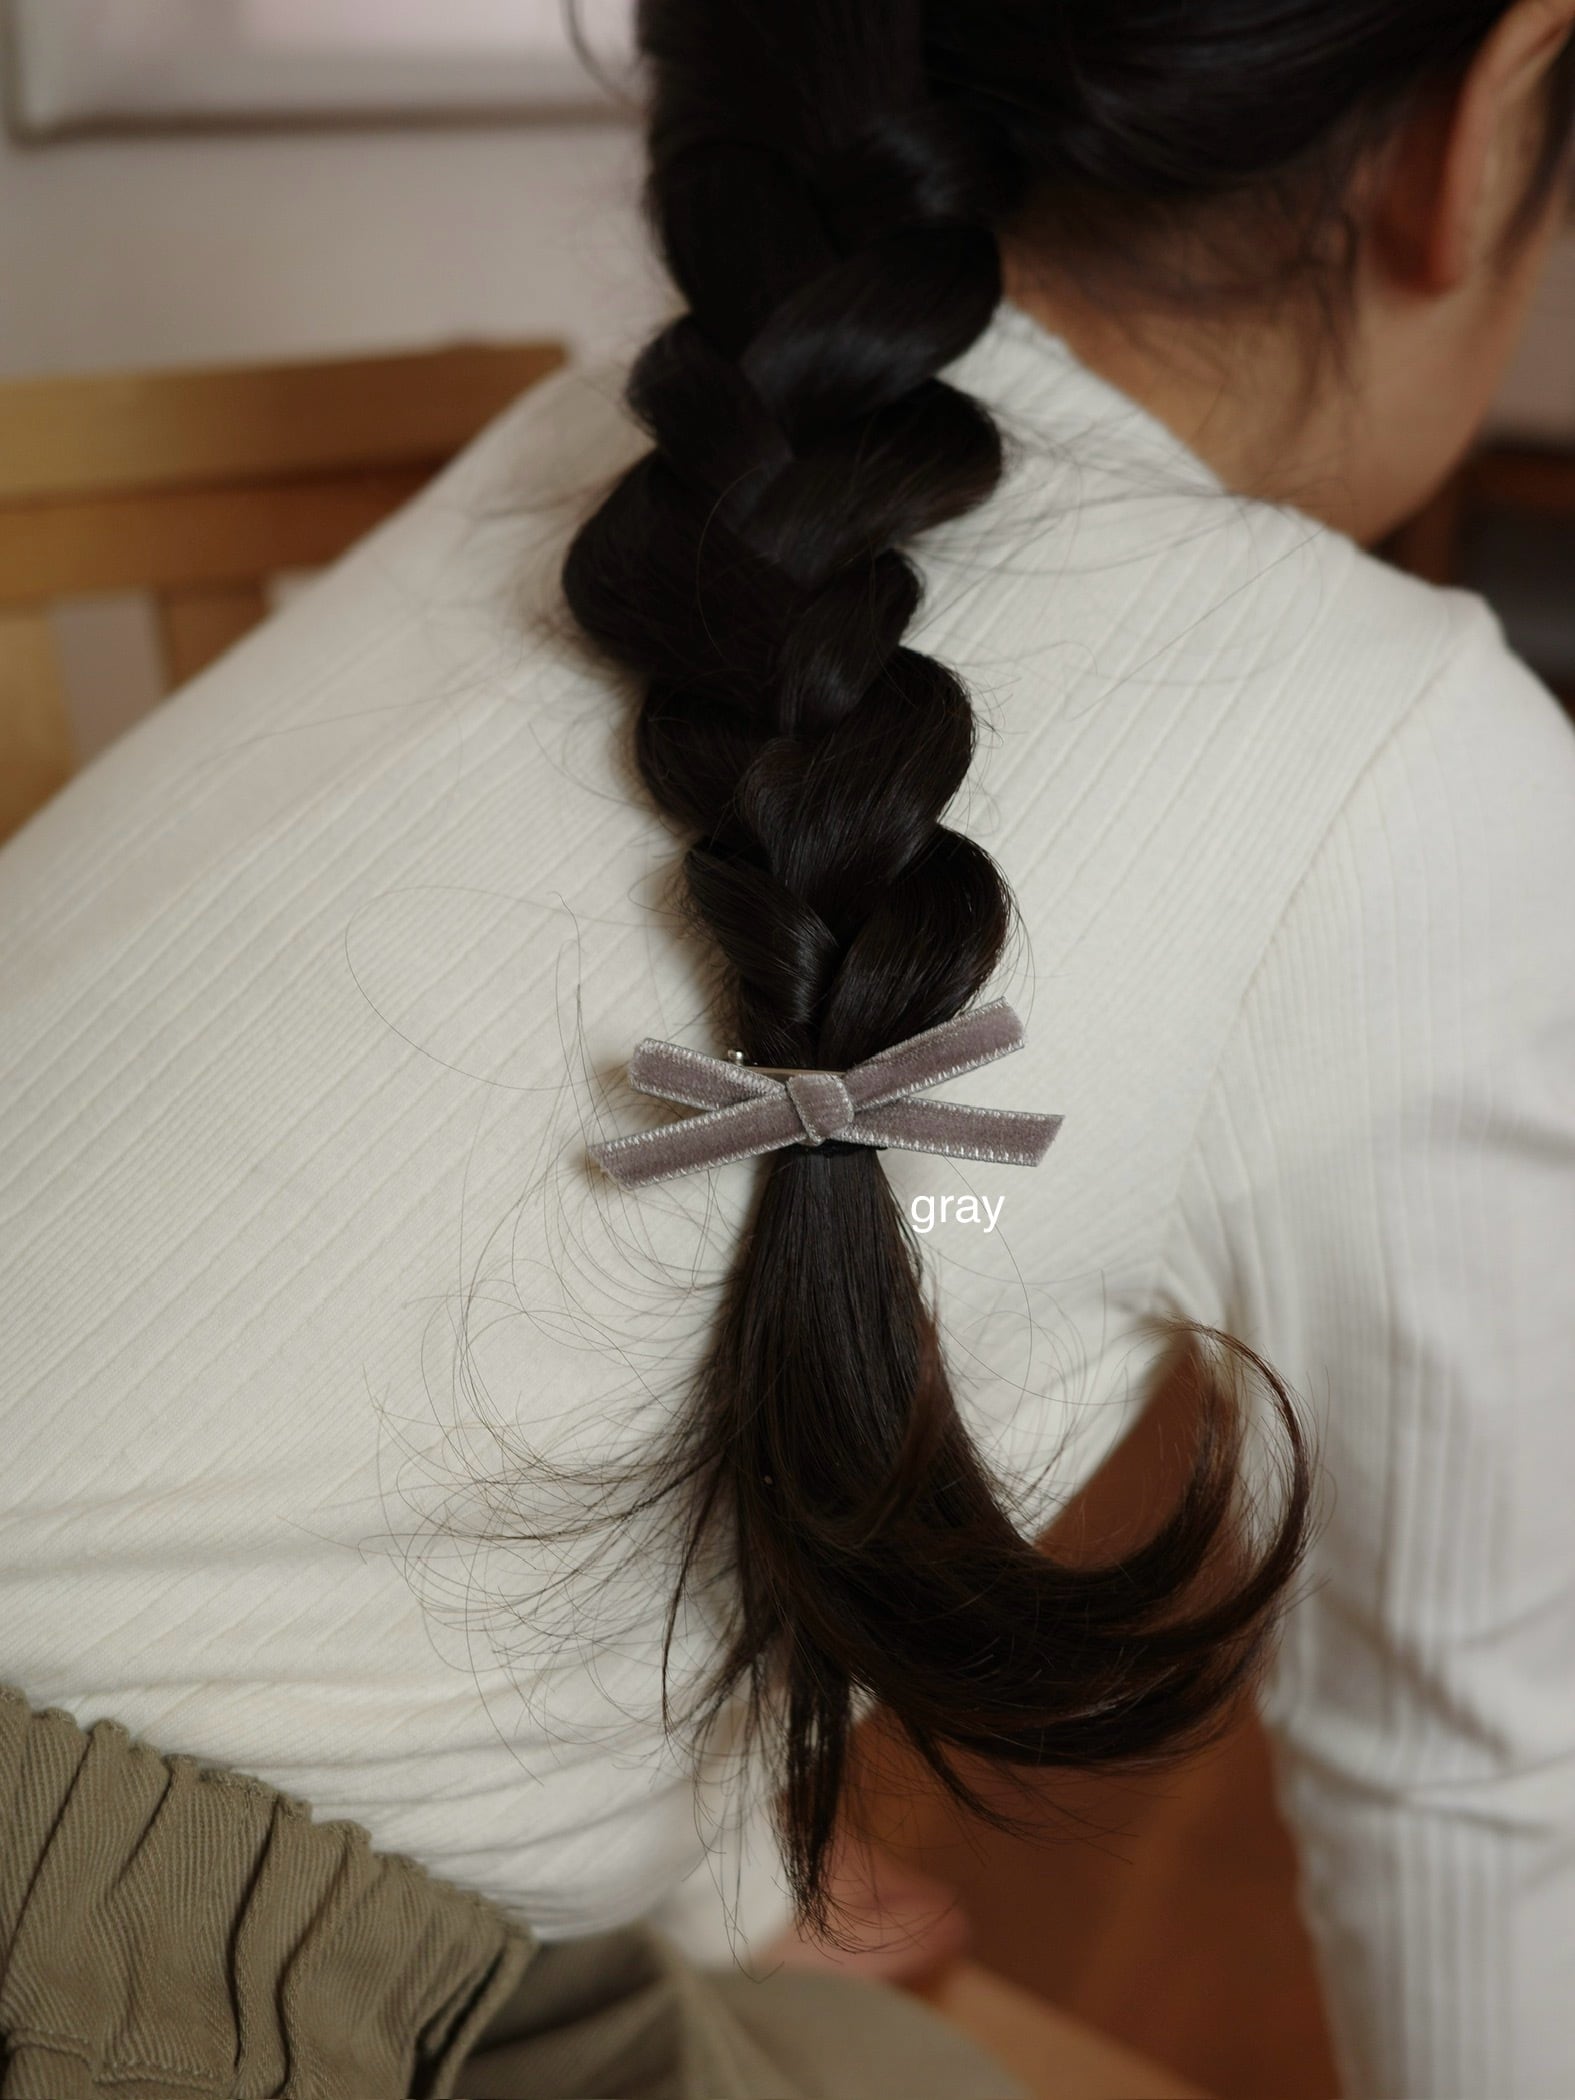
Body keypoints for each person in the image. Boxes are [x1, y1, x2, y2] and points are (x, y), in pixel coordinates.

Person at [1, 3, 1573, 2095]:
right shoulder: (1418, 755)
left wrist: (718, 1857)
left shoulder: (609, 457)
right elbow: (1475, 1784)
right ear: (1479, 126)